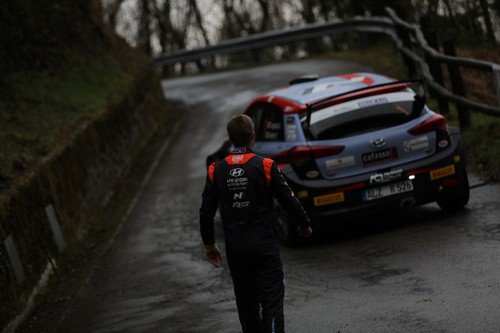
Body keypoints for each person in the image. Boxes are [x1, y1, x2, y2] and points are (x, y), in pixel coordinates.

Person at [199, 114, 312, 333]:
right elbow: (289, 199)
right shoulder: (266, 165)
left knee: (247, 305)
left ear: (230, 140)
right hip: (263, 245)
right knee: (271, 301)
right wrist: (304, 224)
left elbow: (206, 211)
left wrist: (209, 244)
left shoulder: (216, 169)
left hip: (235, 248)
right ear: (253, 136)